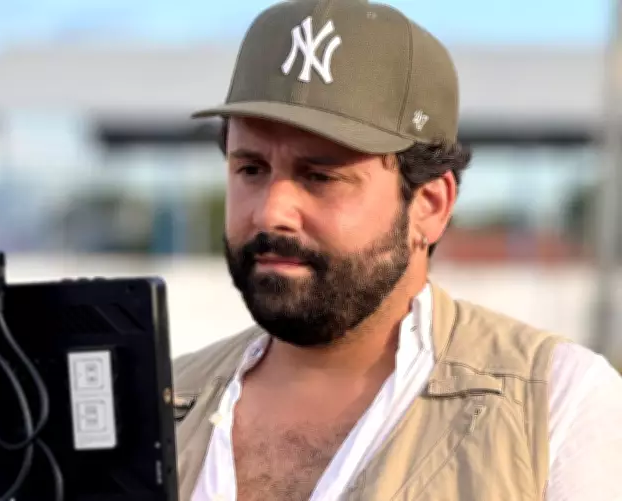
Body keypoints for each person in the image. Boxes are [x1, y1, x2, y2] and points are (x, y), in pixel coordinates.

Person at [172, 0, 622, 500]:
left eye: (320, 176)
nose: (271, 211)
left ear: (429, 205)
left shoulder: (555, 406)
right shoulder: (154, 402)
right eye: (251, 169)